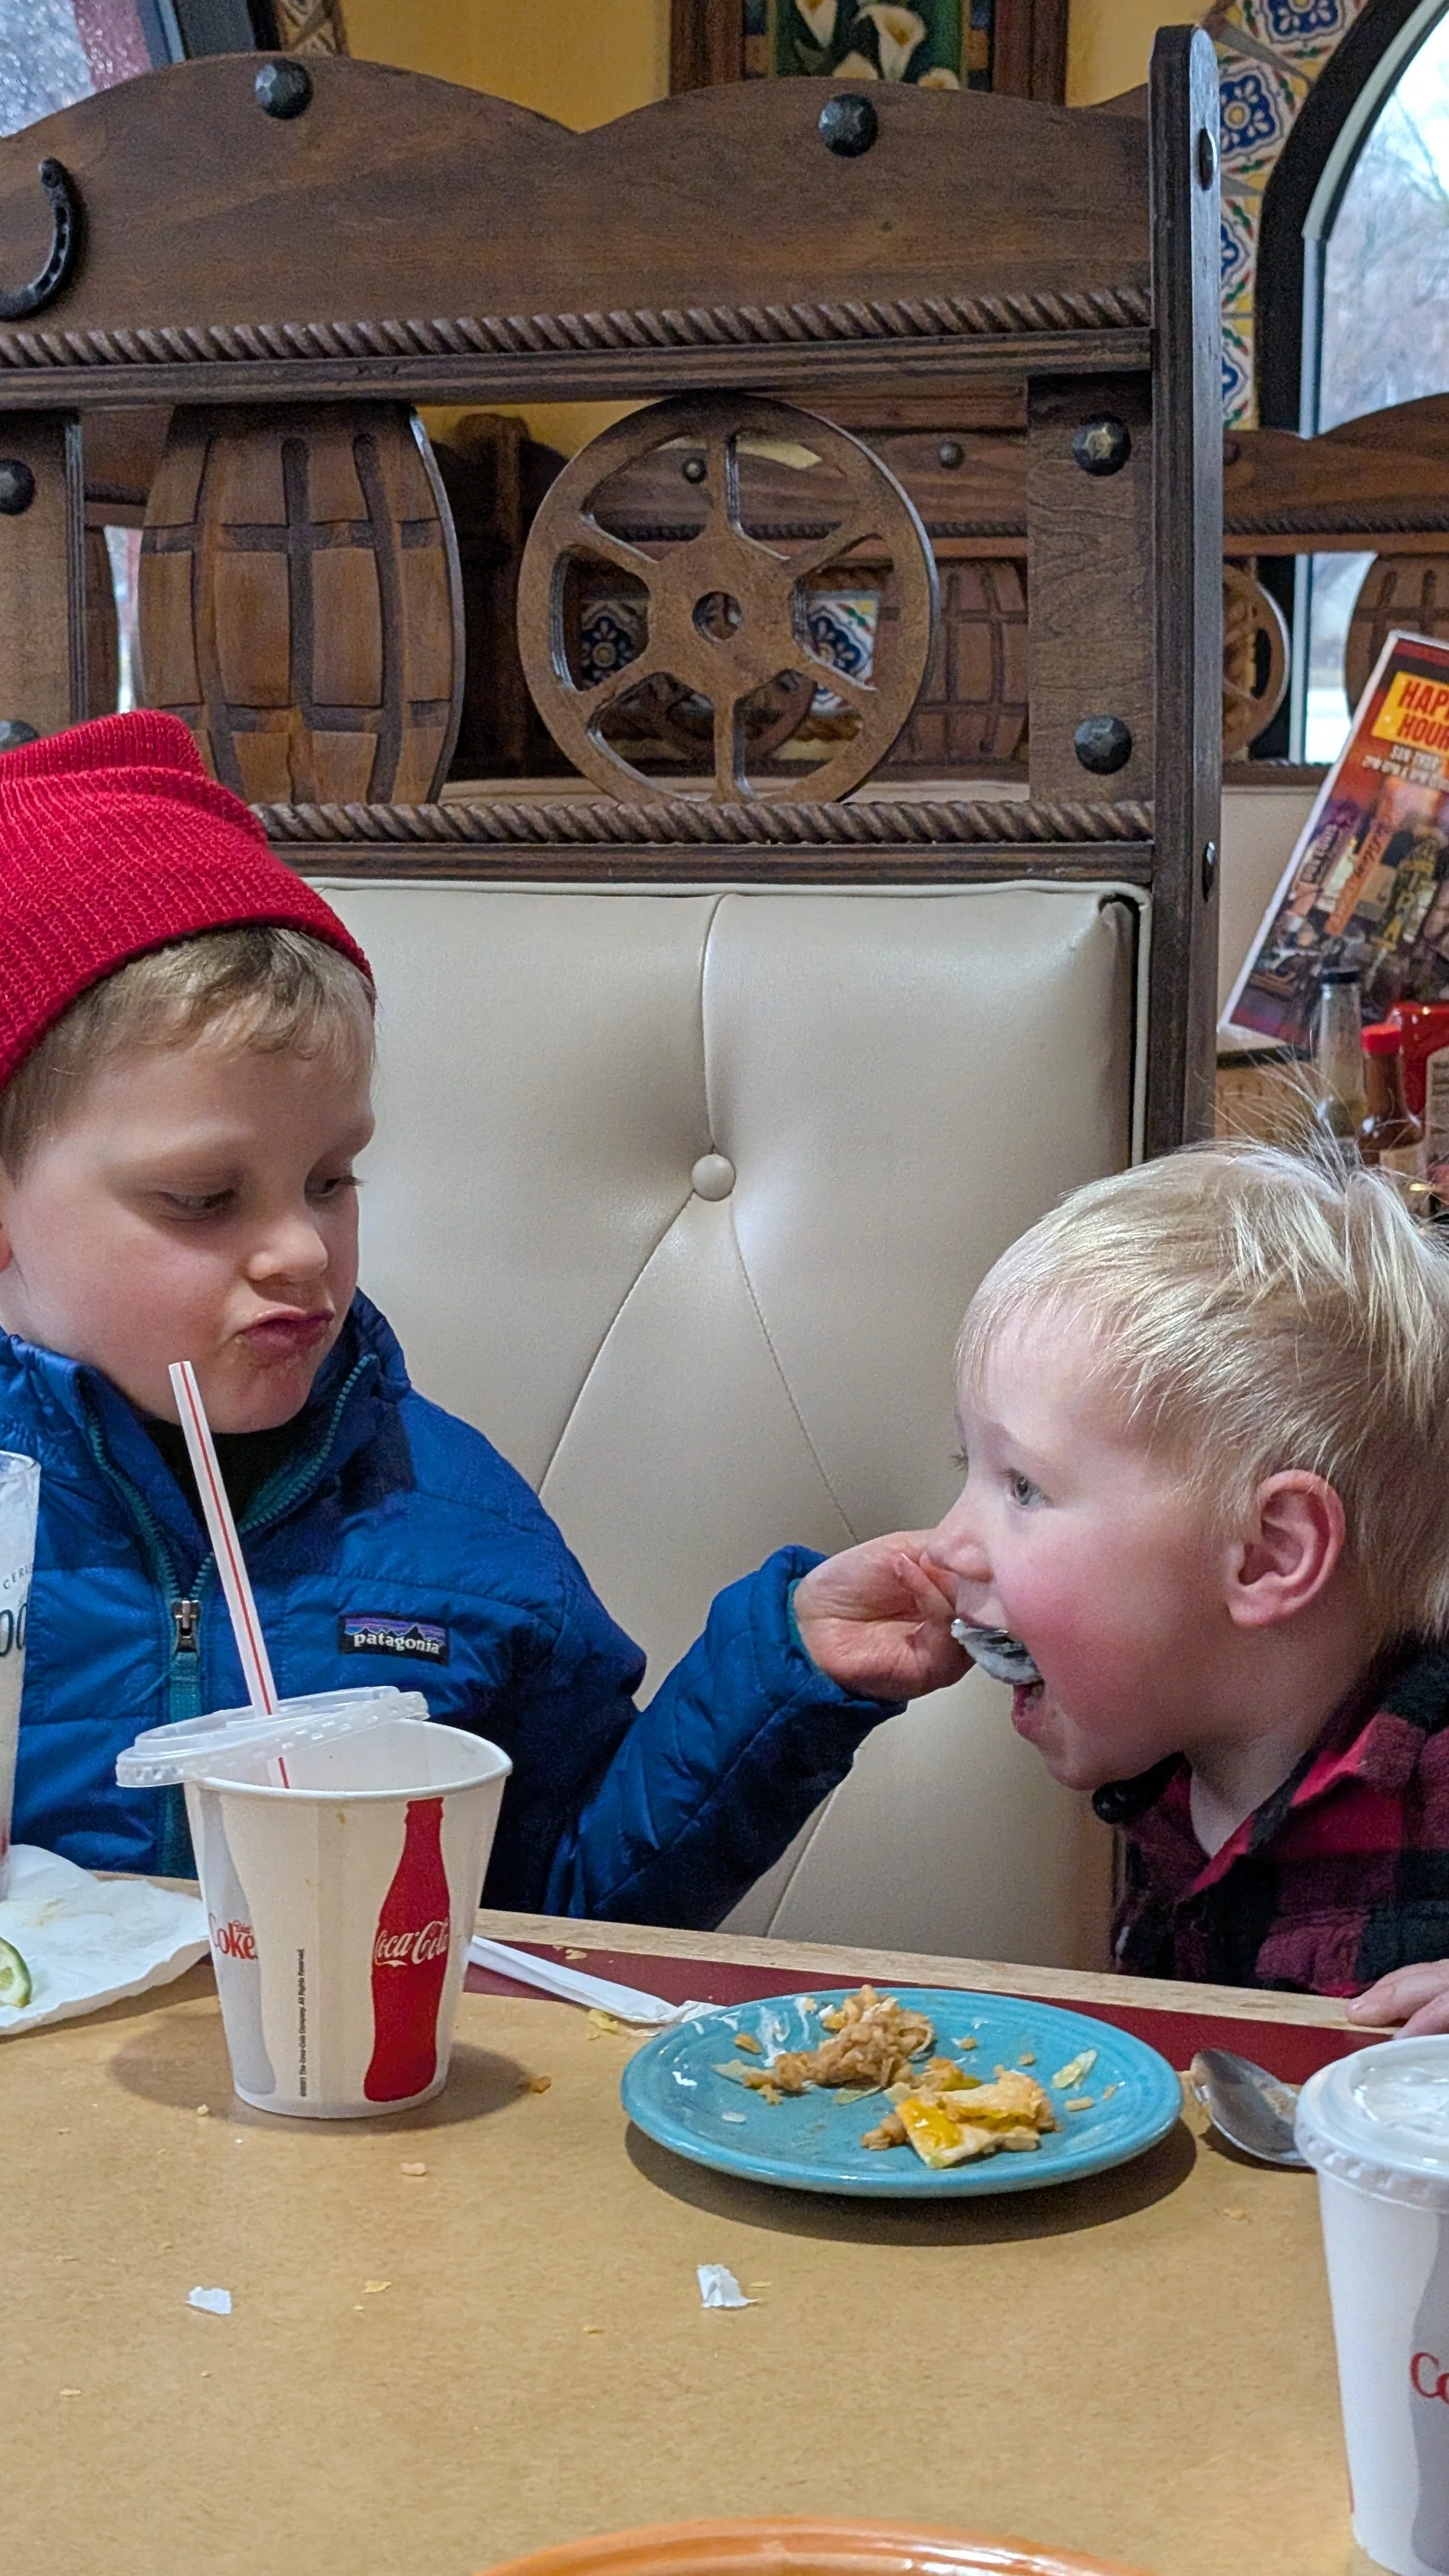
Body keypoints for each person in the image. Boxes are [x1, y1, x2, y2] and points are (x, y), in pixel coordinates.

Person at [0, 711, 961, 1924]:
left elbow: (572, 1914)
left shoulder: (457, 1523)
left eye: (332, 1179)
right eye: (204, 1198)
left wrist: (783, 1677)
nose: (301, 1249)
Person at [923, 1138, 1449, 1998]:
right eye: (966, 1469)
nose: (948, 1544)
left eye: (1023, 1486)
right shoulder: (1173, 1756)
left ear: (1269, 1554)